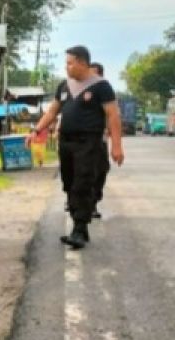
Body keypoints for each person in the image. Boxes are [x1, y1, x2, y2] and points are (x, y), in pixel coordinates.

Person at [27, 47, 124, 249]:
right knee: (69, 182)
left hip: (89, 142)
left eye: (70, 63)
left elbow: (113, 116)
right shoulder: (64, 86)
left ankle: (79, 228)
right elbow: (52, 111)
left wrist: (117, 146)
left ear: (82, 62)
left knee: (83, 183)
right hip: (66, 142)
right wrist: (36, 131)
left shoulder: (101, 86)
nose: (67, 67)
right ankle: (78, 226)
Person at [89, 62, 110, 219]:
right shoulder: (80, 91)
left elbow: (113, 115)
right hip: (82, 141)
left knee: (101, 171)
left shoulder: (105, 92)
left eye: (95, 74)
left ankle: (93, 202)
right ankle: (75, 201)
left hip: (100, 140)